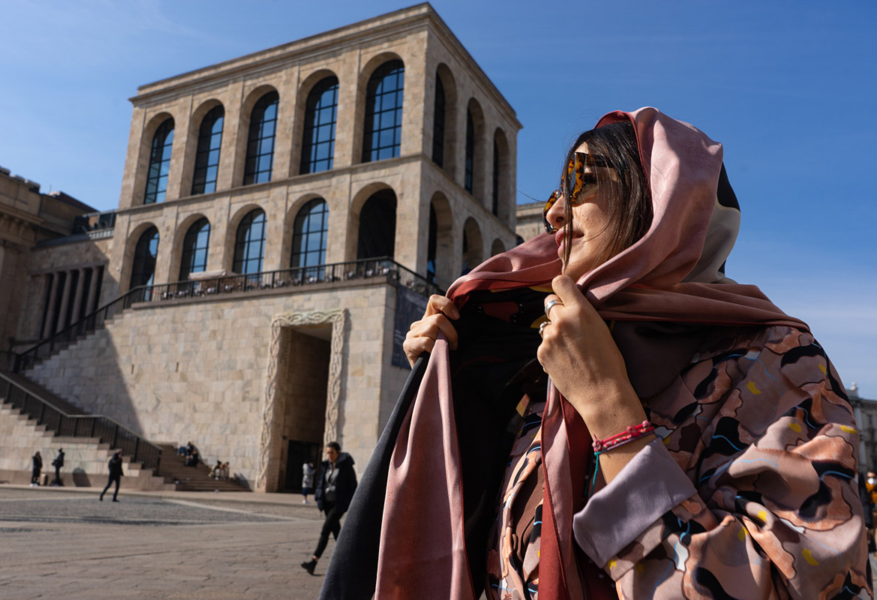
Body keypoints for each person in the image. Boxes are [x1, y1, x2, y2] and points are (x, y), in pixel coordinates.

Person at [320, 108, 868, 599]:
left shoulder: (777, 362)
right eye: (555, 192)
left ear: (662, 196)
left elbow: (808, 588)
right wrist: (449, 387)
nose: (554, 214)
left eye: (579, 180)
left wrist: (612, 414)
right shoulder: (542, 365)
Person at [301, 442, 357, 575]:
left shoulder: (345, 467)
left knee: (325, 530)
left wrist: (347, 502)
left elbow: (353, 486)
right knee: (337, 533)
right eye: (327, 452)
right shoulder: (326, 465)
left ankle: (314, 561)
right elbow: (322, 482)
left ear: (338, 452)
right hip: (326, 503)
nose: (329, 455)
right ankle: (349, 561)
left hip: (338, 504)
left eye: (331, 452)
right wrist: (319, 496)